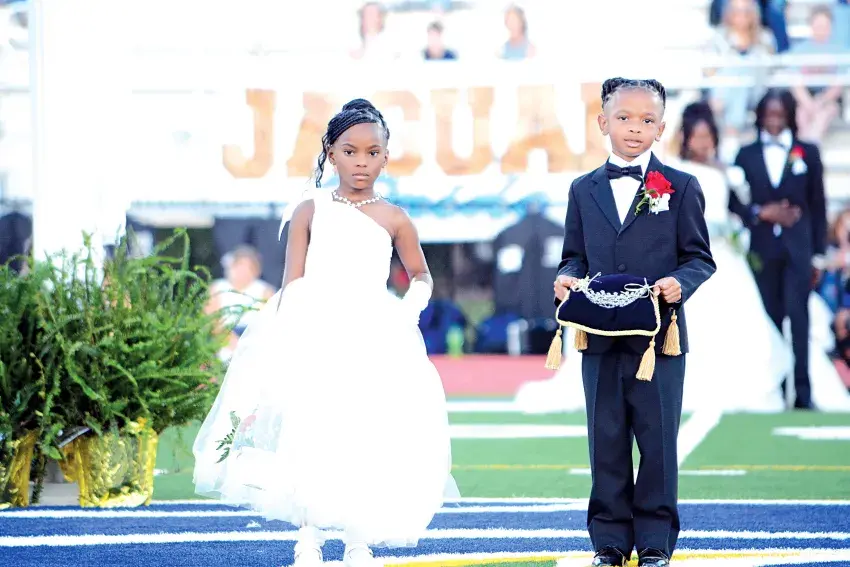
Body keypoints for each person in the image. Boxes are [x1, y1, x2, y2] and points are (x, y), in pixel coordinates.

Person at [192, 99, 458, 567]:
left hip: (373, 334)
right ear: (331, 153)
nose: (361, 162)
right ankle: (308, 539)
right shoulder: (309, 209)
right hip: (314, 329)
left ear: (386, 156)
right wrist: (287, 336)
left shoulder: (394, 218)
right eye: (350, 151)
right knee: (309, 433)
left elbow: (421, 275)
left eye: (372, 152)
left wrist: (408, 310)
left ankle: (358, 540)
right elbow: (292, 280)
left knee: (363, 434)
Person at [553, 78, 715, 567]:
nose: (634, 128)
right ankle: (608, 542)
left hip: (658, 339)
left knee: (658, 441)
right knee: (605, 439)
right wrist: (566, 277)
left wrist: (679, 283)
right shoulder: (582, 190)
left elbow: (699, 258)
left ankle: (655, 543)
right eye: (624, 117)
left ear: (661, 128)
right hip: (599, 336)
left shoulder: (682, 187)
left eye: (647, 120)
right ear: (603, 122)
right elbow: (573, 255)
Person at [666, 102, 792, 411]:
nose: (703, 144)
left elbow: (741, 210)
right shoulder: (674, 172)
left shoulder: (726, 172)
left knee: (738, 324)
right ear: (685, 138)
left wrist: (752, 215)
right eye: (697, 137)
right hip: (689, 256)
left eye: (708, 137)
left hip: (723, 256)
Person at [728, 89, 828, 410]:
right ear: (760, 116)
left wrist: (818, 255)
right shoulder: (745, 154)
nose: (774, 120)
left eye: (780, 114)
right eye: (769, 114)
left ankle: (803, 393)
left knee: (799, 319)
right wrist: (762, 213)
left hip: (798, 250)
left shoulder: (807, 153)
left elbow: (818, 205)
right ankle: (776, 390)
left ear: (789, 116)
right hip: (762, 251)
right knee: (770, 321)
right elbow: (734, 202)